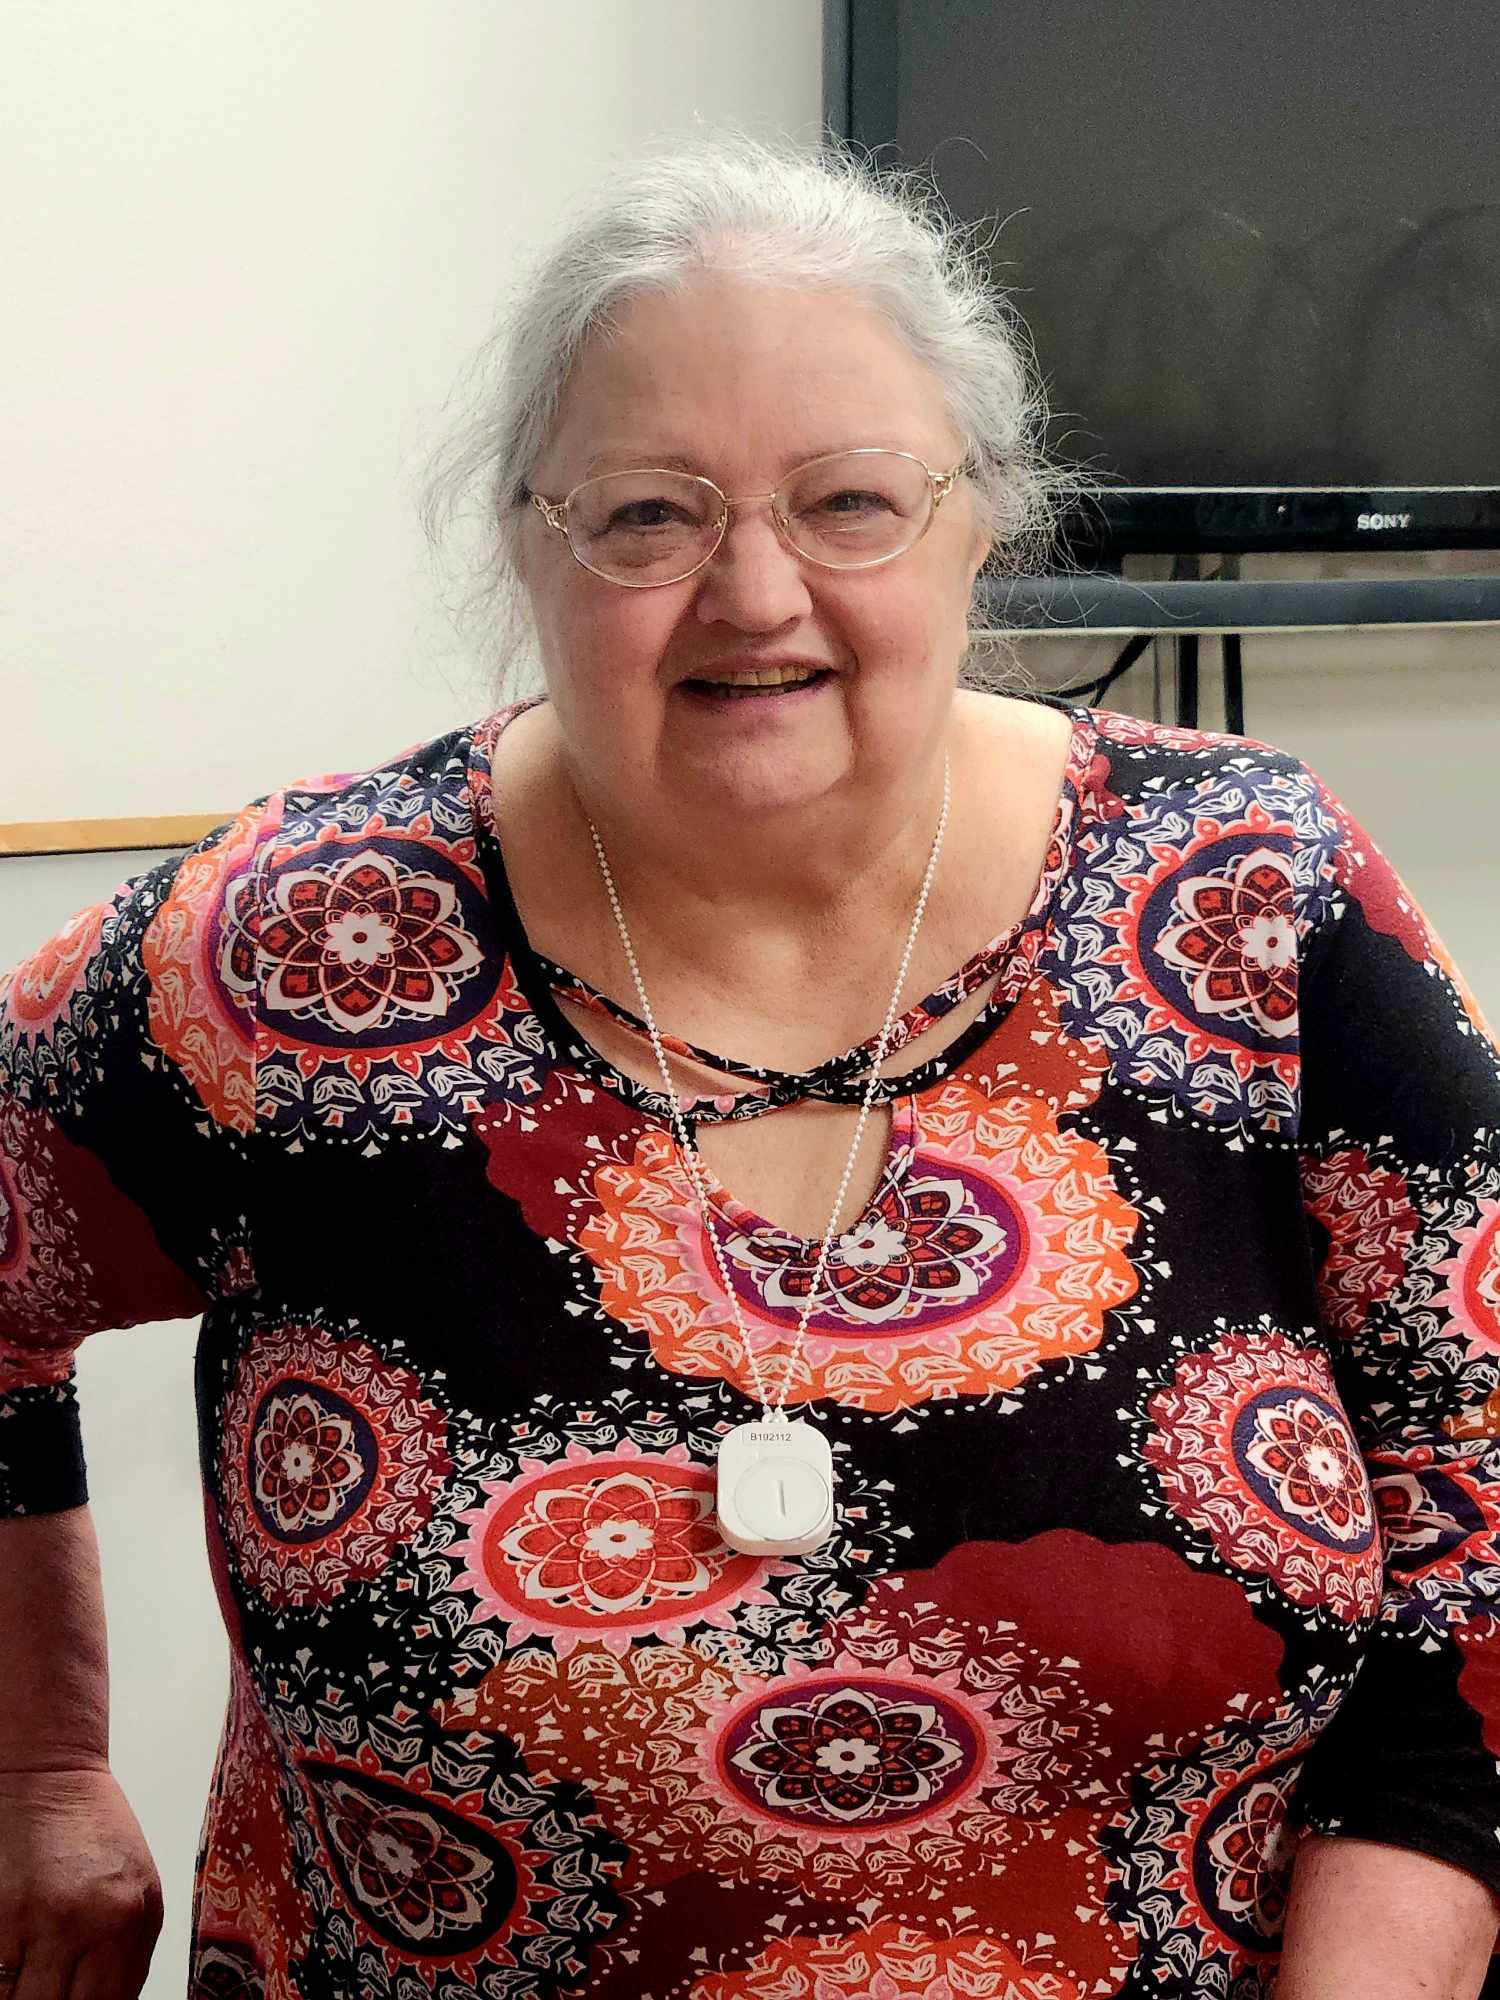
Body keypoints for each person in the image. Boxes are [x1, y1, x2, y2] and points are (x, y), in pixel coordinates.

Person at [3, 131, 1500, 2000]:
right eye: (648, 516)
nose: (754, 592)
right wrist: (39, 1764)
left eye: (850, 501)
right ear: (526, 542)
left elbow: (1478, 1507)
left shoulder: (1255, 901)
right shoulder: (292, 953)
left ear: (981, 519)